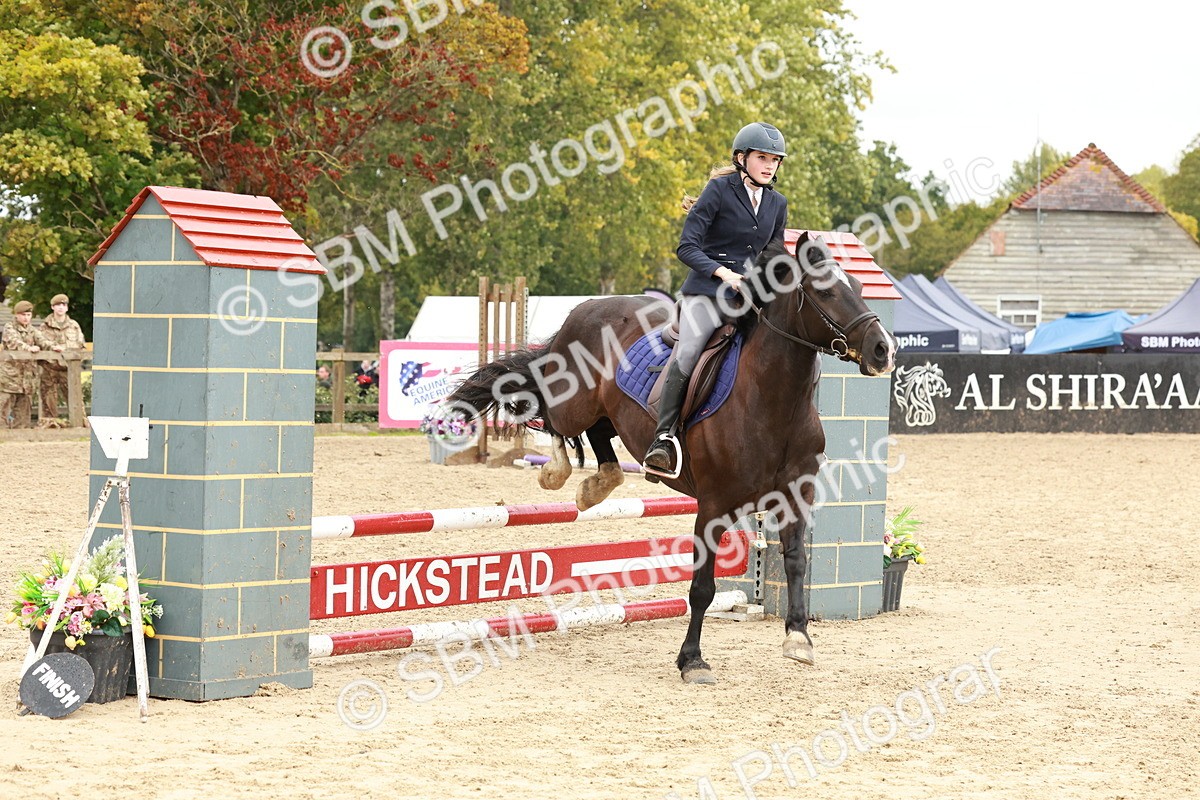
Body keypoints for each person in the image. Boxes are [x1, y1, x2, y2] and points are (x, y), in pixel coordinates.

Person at [642, 122, 789, 476]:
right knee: (691, 348)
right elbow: (686, 246)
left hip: (749, 295)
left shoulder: (777, 203)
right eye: (762, 158)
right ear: (742, 158)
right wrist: (723, 273)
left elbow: (774, 250)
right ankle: (663, 438)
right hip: (707, 292)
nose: (769, 166)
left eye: (774, 160)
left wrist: (766, 282)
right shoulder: (719, 191)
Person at [1, 300, 54, 428]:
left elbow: (42, 341)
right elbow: (14, 342)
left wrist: (54, 347)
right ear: (17, 315)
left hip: (27, 380)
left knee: (23, 413)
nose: (26, 318)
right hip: (9, 378)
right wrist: (28, 348)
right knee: (3, 408)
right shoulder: (9, 327)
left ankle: (20, 440)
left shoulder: (32, 330)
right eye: (23, 315)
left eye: (28, 315)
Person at [38, 293, 86, 423]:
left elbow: (81, 345)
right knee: (48, 401)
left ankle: (80, 426)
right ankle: (50, 428)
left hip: (68, 368)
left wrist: (68, 352)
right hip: (50, 368)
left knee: (75, 399)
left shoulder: (74, 325)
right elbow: (40, 343)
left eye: (63, 305)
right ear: (52, 307)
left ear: (67, 308)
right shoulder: (44, 326)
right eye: (58, 305)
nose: (60, 308)